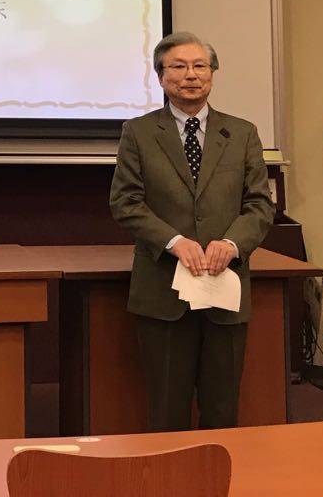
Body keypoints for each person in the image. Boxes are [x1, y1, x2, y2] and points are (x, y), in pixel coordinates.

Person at [109, 31, 275, 431]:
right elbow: (126, 202)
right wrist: (174, 241)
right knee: (167, 405)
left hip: (225, 285)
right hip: (163, 286)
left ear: (213, 74)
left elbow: (260, 204)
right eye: (179, 66)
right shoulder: (139, 132)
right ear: (160, 76)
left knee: (223, 404)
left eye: (200, 66)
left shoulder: (242, 133)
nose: (191, 75)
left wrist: (232, 243)